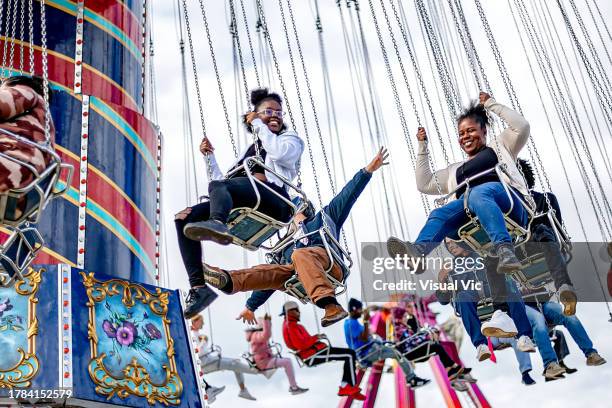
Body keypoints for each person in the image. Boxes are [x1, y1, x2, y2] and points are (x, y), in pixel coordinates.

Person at [388, 92, 533, 334]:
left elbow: (522, 126)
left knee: (478, 193)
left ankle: (505, 249)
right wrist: (423, 147)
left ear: (484, 130)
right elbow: (424, 184)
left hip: (509, 207)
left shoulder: (501, 146)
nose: (466, 136)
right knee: (440, 213)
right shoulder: (455, 171)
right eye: (461, 133)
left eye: (471, 130)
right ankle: (418, 251)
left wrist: (491, 104)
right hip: (473, 217)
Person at [203, 148, 388, 327]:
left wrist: (368, 171)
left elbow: (347, 195)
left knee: (300, 255)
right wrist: (250, 307)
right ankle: (227, 279)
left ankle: (331, 306)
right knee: (270, 271)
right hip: (299, 274)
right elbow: (267, 282)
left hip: (328, 265)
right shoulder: (285, 245)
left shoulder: (324, 219)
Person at [175, 88, 304, 318]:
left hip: (275, 200)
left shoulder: (289, 140)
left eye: (278, 112)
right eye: (268, 111)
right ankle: (198, 288)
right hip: (250, 196)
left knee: (221, 189)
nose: (274, 115)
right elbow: (220, 183)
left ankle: (218, 223)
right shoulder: (248, 152)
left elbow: (280, 154)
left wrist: (259, 124)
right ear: (254, 114)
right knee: (183, 218)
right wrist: (209, 157)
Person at [516, 158, 576, 315]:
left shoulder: (546, 199)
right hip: (521, 250)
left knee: (542, 229)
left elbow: (556, 229)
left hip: (543, 243)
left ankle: (564, 287)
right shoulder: (509, 206)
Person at [280, 301, 366, 400]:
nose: (299, 312)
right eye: (297, 310)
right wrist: (317, 337)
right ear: (290, 312)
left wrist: (316, 339)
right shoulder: (291, 325)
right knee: (349, 355)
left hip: (315, 352)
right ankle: (347, 387)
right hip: (312, 356)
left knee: (349, 354)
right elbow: (301, 345)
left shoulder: (292, 325)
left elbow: (302, 342)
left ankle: (347, 386)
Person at [343, 298, 431, 388]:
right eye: (360, 309)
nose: (361, 312)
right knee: (396, 353)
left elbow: (365, 337)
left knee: (395, 349)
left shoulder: (353, 323)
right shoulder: (351, 323)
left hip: (372, 348)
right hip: (367, 352)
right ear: (354, 309)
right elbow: (364, 339)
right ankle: (411, 378)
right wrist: (366, 321)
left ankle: (410, 375)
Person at [390, 304, 473, 382]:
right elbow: (412, 340)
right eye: (404, 316)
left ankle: (452, 369)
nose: (406, 318)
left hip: (414, 348)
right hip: (410, 352)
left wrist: (428, 334)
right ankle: (453, 368)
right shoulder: (400, 328)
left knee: (443, 346)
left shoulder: (407, 324)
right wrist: (426, 337)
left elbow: (418, 332)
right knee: (438, 346)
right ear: (399, 317)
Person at [0, 75, 55, 193]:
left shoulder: (27, 91)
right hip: (22, 186)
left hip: (10, 165)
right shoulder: (44, 127)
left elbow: (3, 101)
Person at [191, 314, 258, 401]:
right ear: (195, 322)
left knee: (235, 362)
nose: (203, 324)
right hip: (205, 362)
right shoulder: (192, 334)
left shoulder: (196, 334)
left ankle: (243, 390)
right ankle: (255, 371)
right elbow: (197, 353)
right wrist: (204, 341)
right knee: (235, 363)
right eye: (201, 321)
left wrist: (204, 341)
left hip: (209, 360)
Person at [245, 313, 308, 395]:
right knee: (287, 362)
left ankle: (293, 386)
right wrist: (267, 322)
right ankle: (294, 387)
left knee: (286, 361)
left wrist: (268, 322)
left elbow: (265, 342)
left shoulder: (256, 335)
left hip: (265, 361)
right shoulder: (256, 335)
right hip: (264, 363)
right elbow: (266, 335)